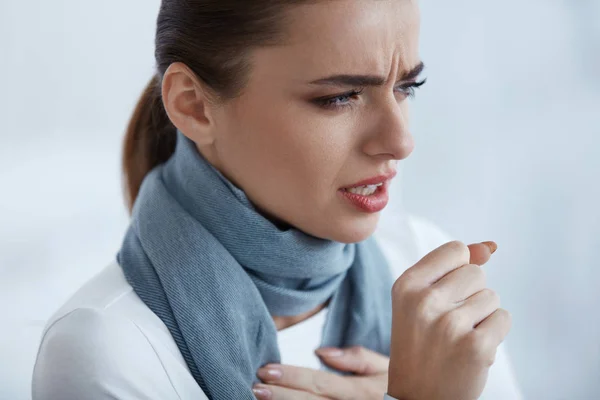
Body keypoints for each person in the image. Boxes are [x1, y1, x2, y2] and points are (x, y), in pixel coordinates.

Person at [32, 1, 523, 399]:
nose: (400, 142)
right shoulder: (105, 348)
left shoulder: (425, 269)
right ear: (193, 105)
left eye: (407, 87)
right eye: (341, 97)